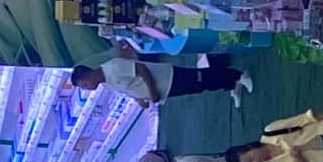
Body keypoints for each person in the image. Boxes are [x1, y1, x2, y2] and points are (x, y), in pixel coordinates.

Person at [73, 55, 249, 107]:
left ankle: (239, 76)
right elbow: (127, 89)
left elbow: (141, 69)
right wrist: (139, 100)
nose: (88, 88)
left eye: (85, 85)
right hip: (165, 89)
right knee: (200, 87)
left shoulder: (113, 67)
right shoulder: (105, 83)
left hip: (168, 78)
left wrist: (152, 91)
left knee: (201, 78)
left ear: (88, 76)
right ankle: (231, 84)